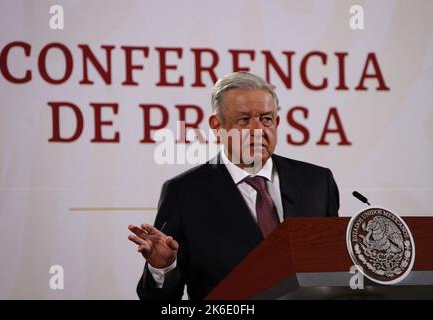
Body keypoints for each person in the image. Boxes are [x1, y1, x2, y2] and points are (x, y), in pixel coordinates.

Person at [128, 72, 340, 300]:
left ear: (277, 122)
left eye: (266, 119)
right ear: (217, 126)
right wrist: (164, 267)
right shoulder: (185, 193)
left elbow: (335, 270)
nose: (258, 129)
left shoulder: (317, 182)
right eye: (244, 120)